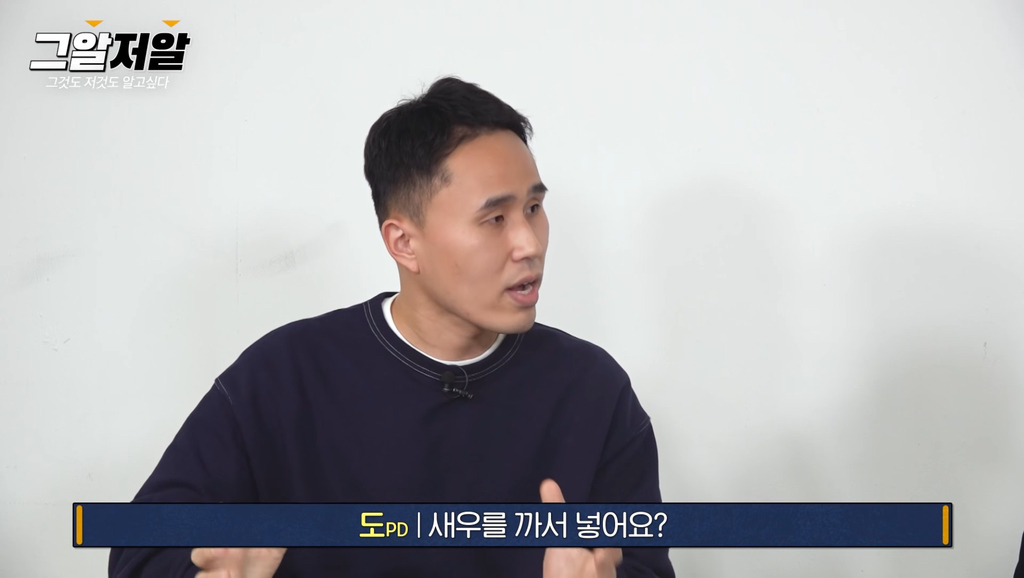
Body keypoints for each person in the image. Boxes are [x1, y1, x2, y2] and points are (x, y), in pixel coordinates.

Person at [108, 76, 674, 578]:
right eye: (495, 218)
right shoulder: (285, 376)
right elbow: (140, 548)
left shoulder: (593, 391)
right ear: (404, 242)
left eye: (533, 208)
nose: (529, 243)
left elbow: (645, 564)